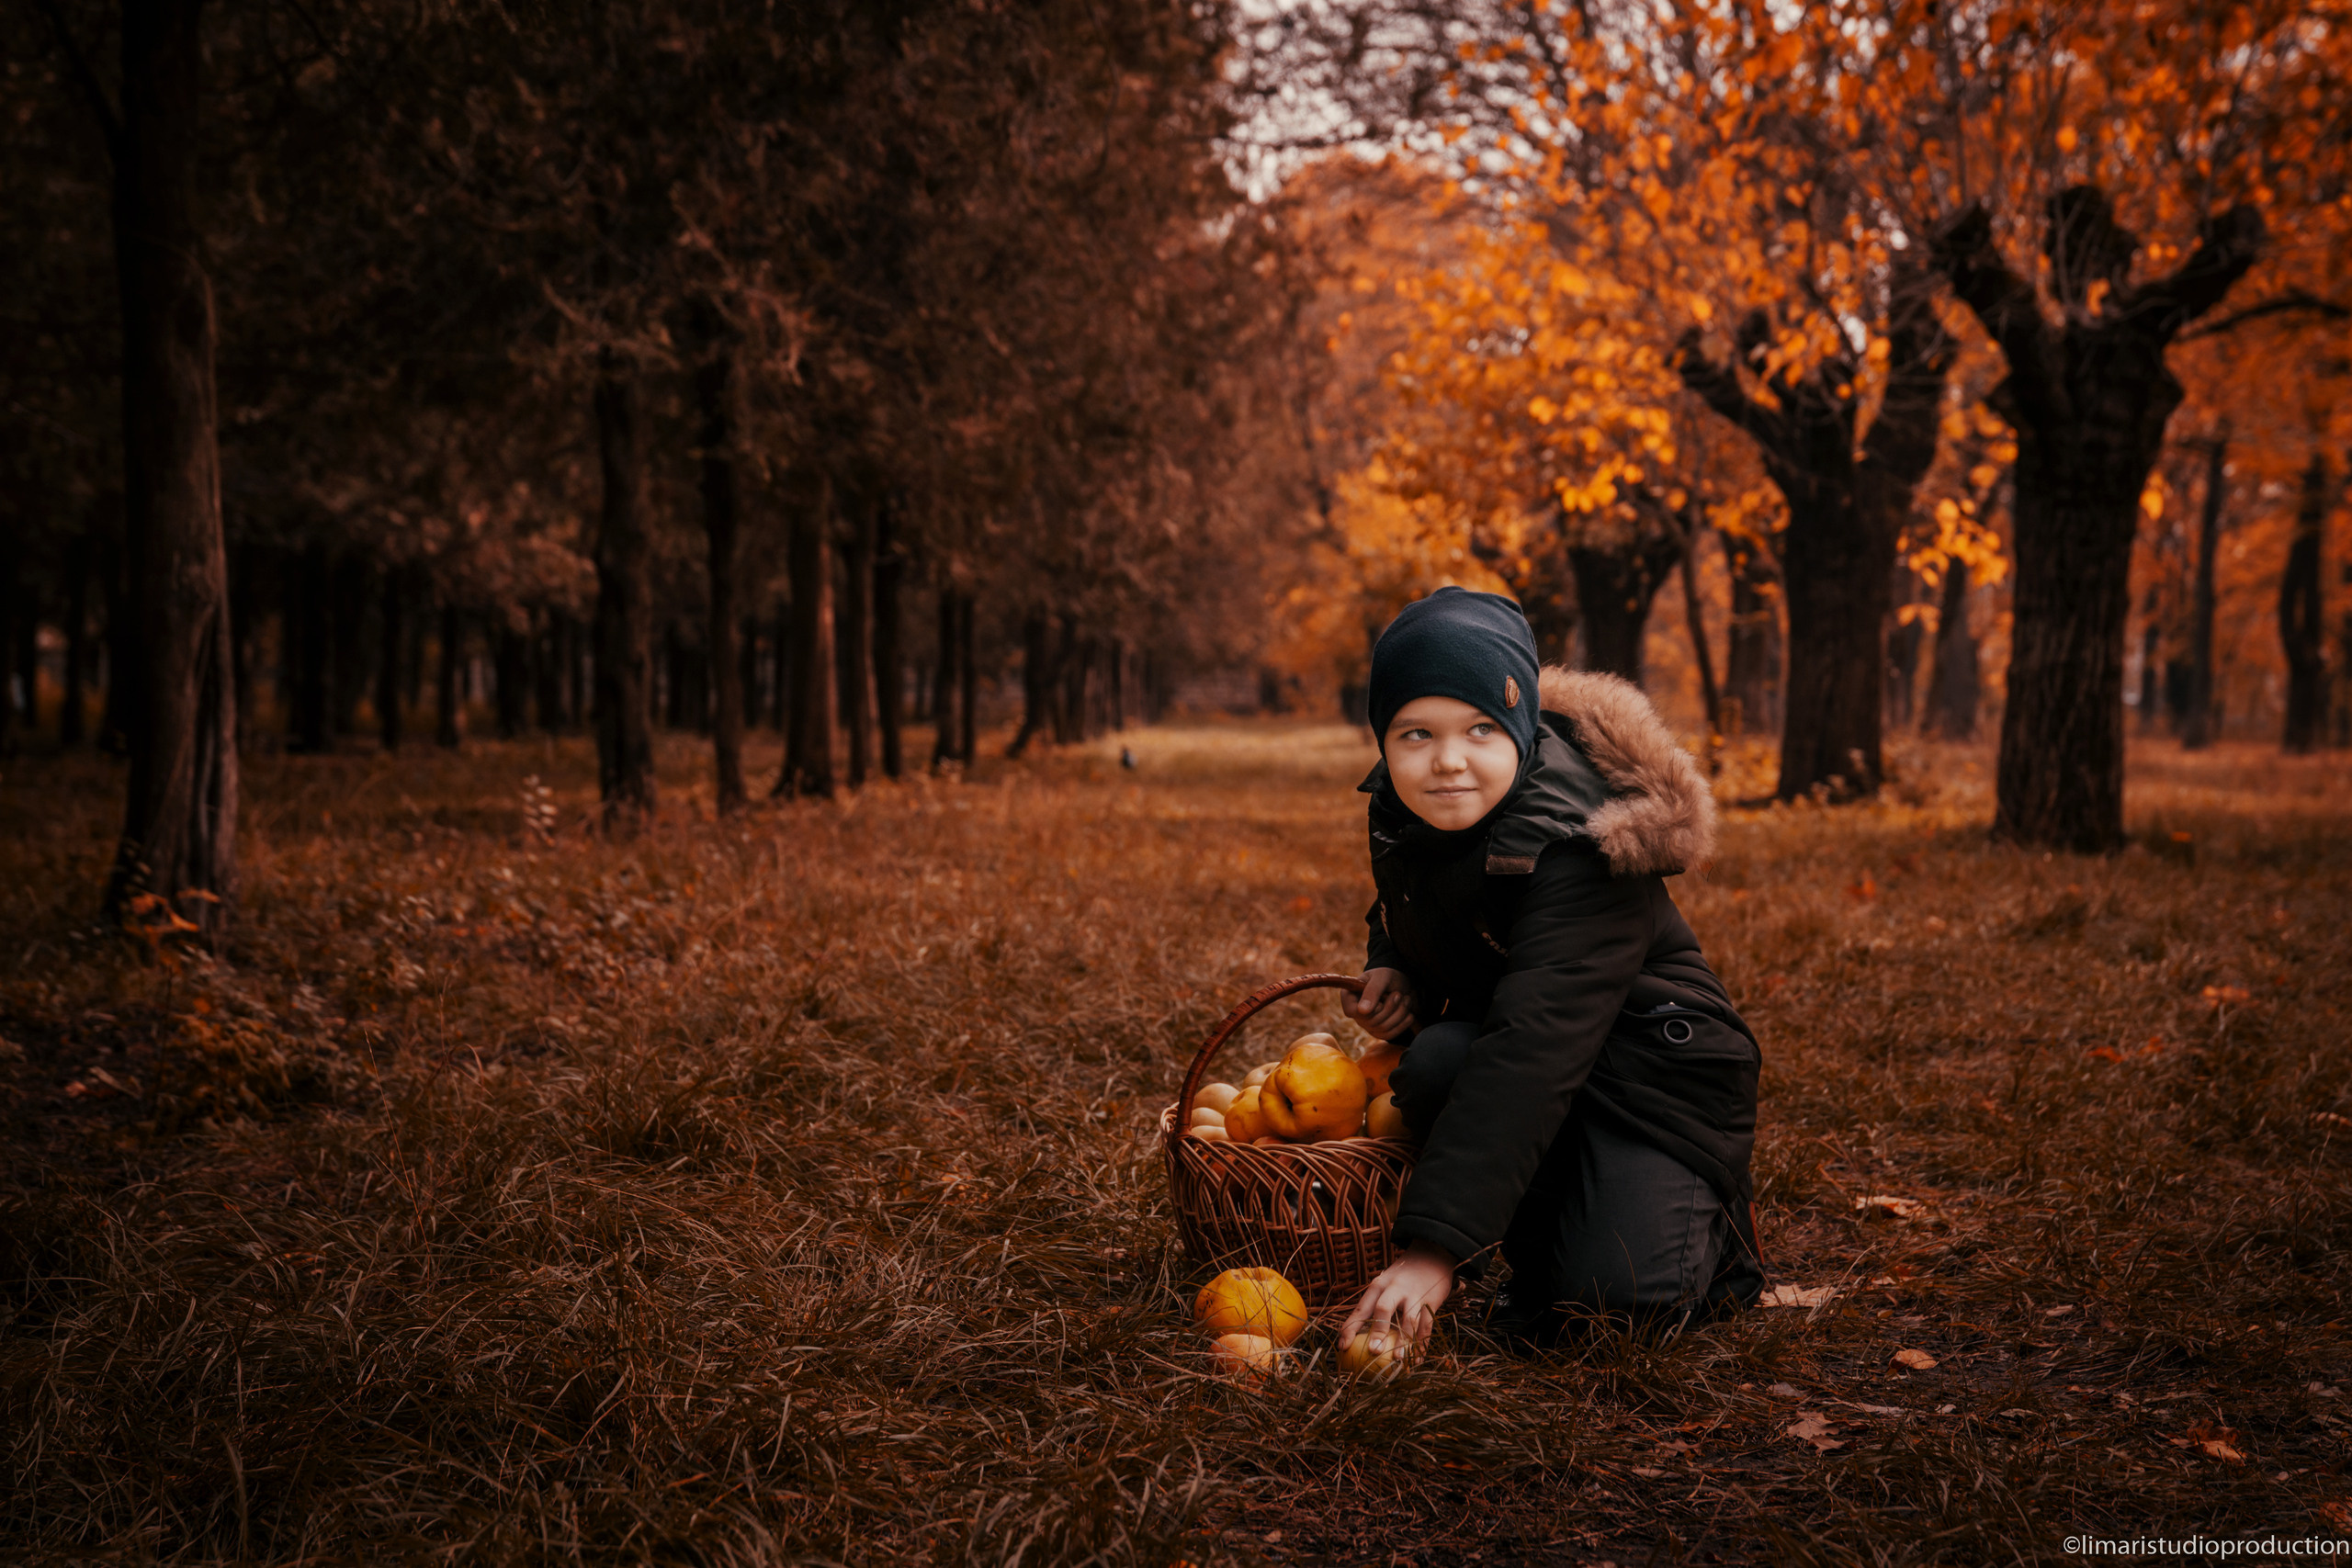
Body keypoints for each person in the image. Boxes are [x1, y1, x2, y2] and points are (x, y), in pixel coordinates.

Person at [1336, 586, 1763, 1357]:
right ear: (1384, 740)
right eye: (1415, 733)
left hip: (1655, 1078)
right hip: (1550, 1058)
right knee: (1433, 1063)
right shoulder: (1408, 808)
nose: (1448, 759)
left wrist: (1433, 1250)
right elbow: (1413, 897)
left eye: (1480, 729)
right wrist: (1393, 961)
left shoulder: (1582, 842)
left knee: (1618, 1308)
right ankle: (1557, 1226)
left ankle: (1718, 1226)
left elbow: (1533, 1047)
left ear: (1523, 728)